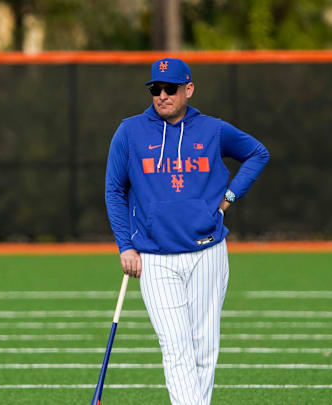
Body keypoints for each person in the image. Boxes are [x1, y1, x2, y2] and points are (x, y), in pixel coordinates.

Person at [104, 57, 269, 405]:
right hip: (154, 257)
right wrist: (125, 246)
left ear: (188, 89)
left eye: (170, 88)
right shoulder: (129, 132)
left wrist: (227, 199)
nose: (162, 95)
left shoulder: (213, 129)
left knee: (204, 348)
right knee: (176, 346)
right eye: (156, 89)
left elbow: (257, 153)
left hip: (208, 252)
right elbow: (114, 191)